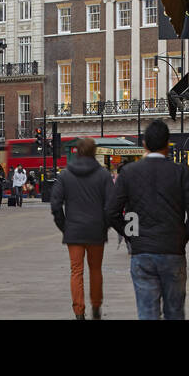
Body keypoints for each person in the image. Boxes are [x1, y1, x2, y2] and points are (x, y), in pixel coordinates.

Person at [106, 120, 189, 320]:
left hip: (142, 252)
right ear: (167, 144)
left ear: (144, 144)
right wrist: (181, 236)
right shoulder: (181, 172)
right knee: (175, 312)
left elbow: (111, 211)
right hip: (172, 250)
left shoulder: (129, 173)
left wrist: (131, 234)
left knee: (147, 313)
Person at [51, 137, 114, 320]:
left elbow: (55, 204)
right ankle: (96, 307)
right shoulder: (103, 175)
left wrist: (65, 226)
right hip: (96, 231)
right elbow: (112, 205)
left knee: (76, 271)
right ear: (94, 152)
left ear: (77, 152)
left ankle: (79, 311)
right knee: (96, 270)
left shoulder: (65, 175)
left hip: (74, 231)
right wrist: (105, 225)